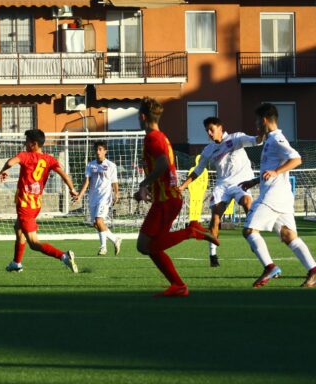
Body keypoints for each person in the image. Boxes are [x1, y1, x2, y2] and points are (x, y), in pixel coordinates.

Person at [135, 97, 219, 297]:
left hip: (166, 201)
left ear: (142, 117)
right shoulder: (162, 137)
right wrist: (149, 187)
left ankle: (192, 231)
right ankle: (178, 286)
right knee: (153, 247)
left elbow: (163, 164)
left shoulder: (152, 138)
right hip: (169, 198)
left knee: (143, 245)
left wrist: (143, 184)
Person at [239, 103, 316, 288]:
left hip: (272, 197)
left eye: (258, 120)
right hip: (282, 197)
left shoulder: (276, 139)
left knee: (249, 230)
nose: (256, 124)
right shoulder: (270, 140)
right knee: (289, 236)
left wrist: (276, 172)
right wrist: (254, 181)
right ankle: (314, 270)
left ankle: (270, 267)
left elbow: (296, 159)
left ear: (264, 120)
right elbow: (270, 169)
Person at [177, 117, 262, 267]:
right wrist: (182, 187)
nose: (209, 133)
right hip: (222, 185)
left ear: (220, 128)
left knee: (247, 203)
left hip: (240, 182)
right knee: (215, 218)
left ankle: (254, 239)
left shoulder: (236, 138)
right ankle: (213, 255)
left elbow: (256, 140)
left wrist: (263, 133)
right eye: (207, 131)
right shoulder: (208, 150)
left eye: (212, 129)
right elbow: (197, 170)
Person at [0, 129, 79, 273]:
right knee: (18, 228)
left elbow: (10, 162)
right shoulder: (50, 159)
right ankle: (16, 263)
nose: (25, 144)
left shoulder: (26, 156)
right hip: (36, 204)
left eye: (27, 141)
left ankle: (63, 256)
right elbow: (65, 176)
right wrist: (72, 189)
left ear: (33, 144)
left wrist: (3, 170)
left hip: (25, 205)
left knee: (34, 243)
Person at [74, 140, 123, 256]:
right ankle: (115, 239)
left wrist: (117, 193)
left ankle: (103, 247)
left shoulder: (111, 165)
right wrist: (80, 195)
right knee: (96, 224)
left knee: (99, 220)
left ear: (105, 151)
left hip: (105, 197)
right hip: (93, 198)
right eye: (96, 149)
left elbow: (114, 182)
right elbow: (86, 182)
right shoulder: (90, 165)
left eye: (100, 149)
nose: (98, 152)